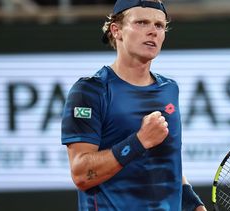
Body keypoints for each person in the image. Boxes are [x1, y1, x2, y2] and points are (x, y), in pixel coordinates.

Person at [61, 0, 207, 210]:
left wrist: (194, 205)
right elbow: (82, 174)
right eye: (141, 22)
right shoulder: (89, 91)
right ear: (116, 30)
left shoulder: (169, 89)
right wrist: (139, 141)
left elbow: (168, 164)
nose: (152, 32)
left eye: (159, 25)